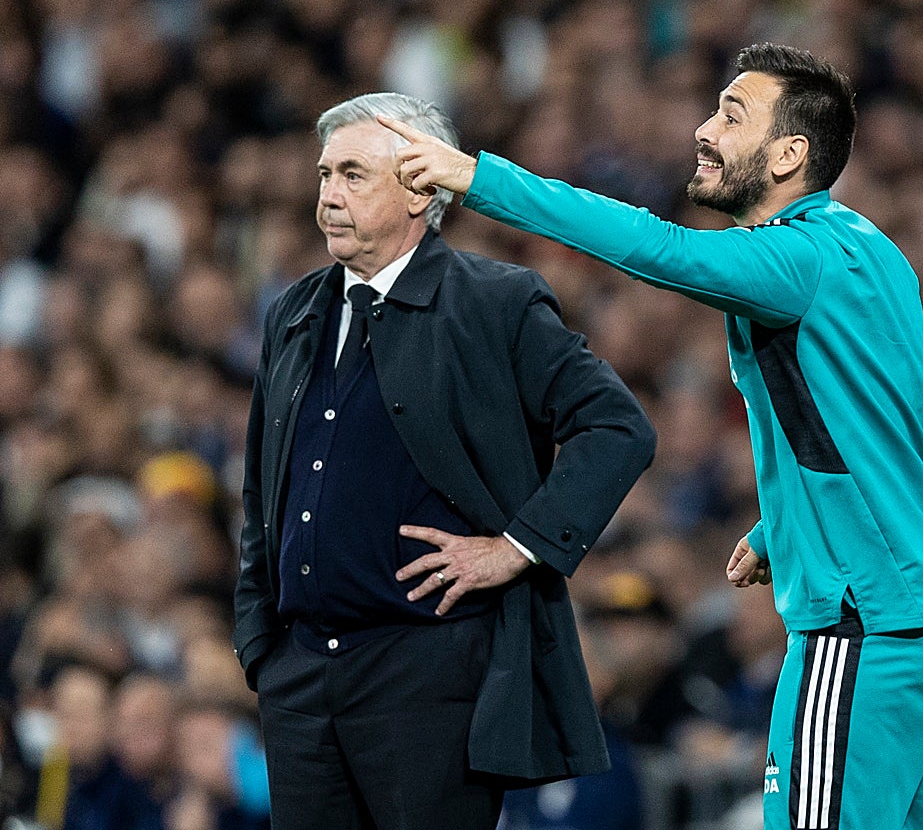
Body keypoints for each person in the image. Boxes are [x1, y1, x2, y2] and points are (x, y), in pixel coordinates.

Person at [382, 43, 923, 830]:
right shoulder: (871, 248)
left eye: (732, 116)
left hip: (864, 618)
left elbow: (655, 249)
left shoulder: (795, 256)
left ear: (789, 154)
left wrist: (478, 178)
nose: (704, 130)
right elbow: (884, 430)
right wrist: (783, 525)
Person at [232, 92, 655, 830]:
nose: (329, 195)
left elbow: (618, 426)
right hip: (299, 680)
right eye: (326, 174)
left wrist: (517, 548)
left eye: (354, 176)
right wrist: (261, 648)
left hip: (429, 672)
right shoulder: (293, 310)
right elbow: (263, 487)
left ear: (421, 190)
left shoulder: (497, 302)